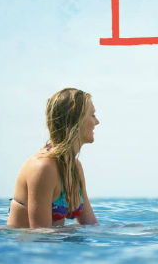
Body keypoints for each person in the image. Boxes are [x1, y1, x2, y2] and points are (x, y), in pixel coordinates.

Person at [8, 88, 100, 228]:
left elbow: (91, 225)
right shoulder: (43, 168)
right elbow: (40, 236)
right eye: (92, 115)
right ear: (75, 121)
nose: (97, 122)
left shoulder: (75, 167)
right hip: (22, 248)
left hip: (54, 244)